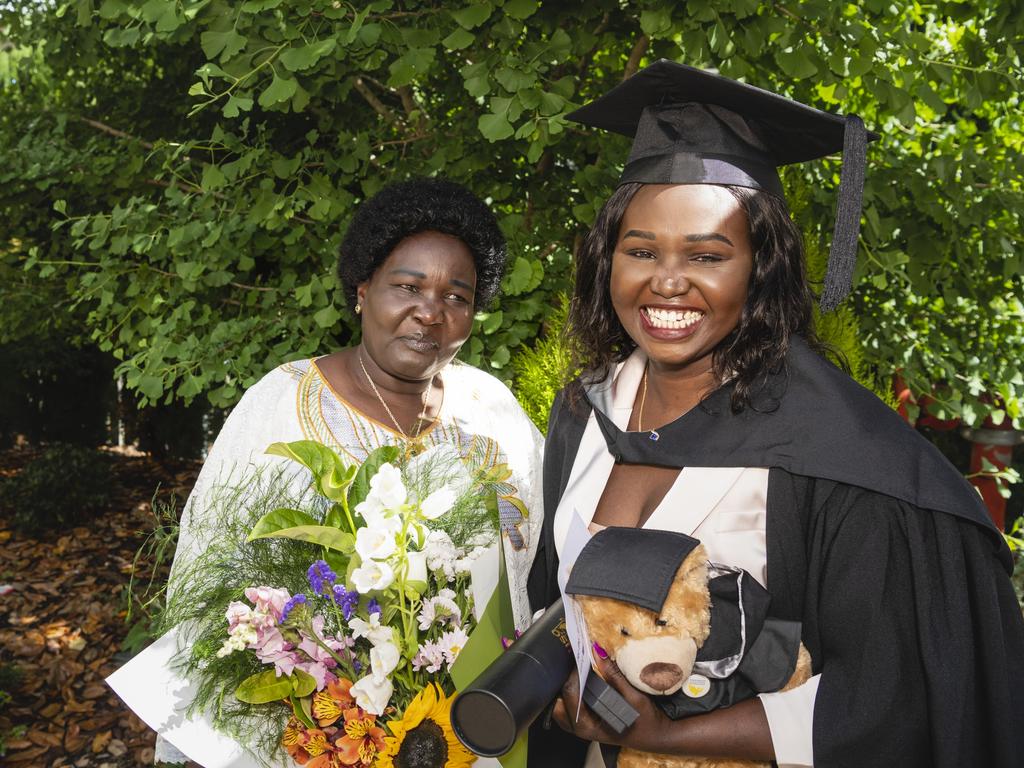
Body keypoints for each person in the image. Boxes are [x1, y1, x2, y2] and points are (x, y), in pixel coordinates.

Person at [526, 60, 1024, 768]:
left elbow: (889, 694)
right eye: (640, 251)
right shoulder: (584, 411)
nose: (667, 280)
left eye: (707, 254)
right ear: (608, 261)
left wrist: (666, 736)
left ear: (761, 269)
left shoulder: (840, 456)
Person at [156, 177, 544, 764]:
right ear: (362, 289)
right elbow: (209, 572)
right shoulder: (280, 404)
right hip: (319, 731)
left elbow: (542, 551)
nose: (430, 313)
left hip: (469, 727)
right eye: (407, 286)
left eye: (457, 297)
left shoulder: (491, 408)